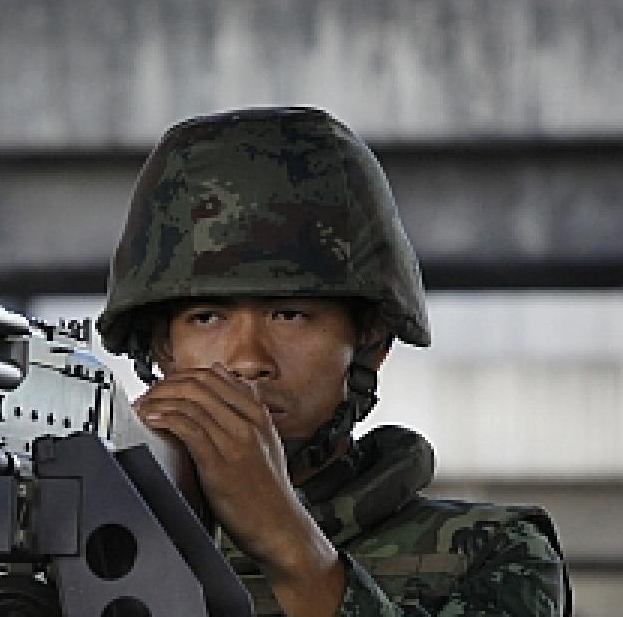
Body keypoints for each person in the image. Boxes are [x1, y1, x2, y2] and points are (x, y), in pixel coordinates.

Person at [96, 106, 570, 616]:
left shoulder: (489, 552)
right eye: (207, 318)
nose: (248, 361)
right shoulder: (81, 546)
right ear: (163, 349)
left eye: (290, 315)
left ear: (369, 344)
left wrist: (288, 545)